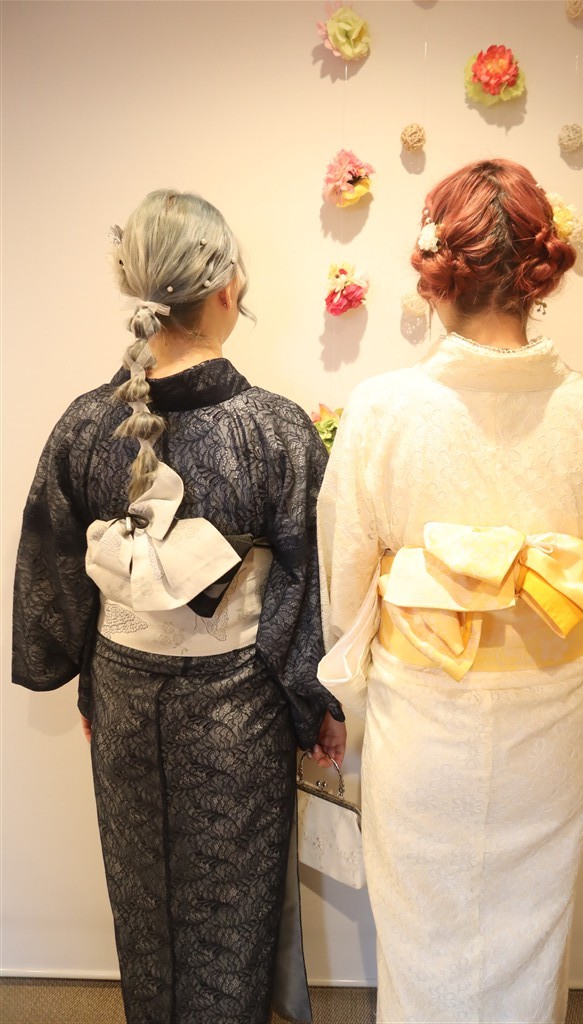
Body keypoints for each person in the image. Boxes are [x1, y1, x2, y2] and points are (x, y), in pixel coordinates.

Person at [317, 159, 583, 1024]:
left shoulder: (382, 409)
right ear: (536, 273)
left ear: (439, 270)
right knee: (530, 928)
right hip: (548, 714)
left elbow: (346, 580)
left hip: (421, 714)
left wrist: (364, 690)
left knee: (420, 931)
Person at [12, 189, 346, 1024]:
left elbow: (53, 569)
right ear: (228, 287)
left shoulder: (84, 425)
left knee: (144, 897)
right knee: (233, 910)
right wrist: (312, 704)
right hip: (240, 714)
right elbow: (308, 582)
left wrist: (83, 681)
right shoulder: (272, 430)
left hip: (125, 700)